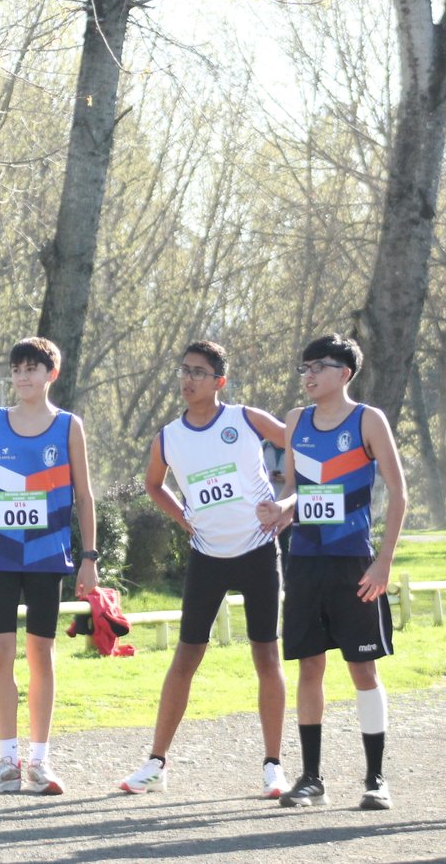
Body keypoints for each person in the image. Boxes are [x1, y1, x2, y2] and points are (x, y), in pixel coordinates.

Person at [118, 341, 290, 799]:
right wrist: (183, 517)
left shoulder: (245, 419)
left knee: (266, 656)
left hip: (256, 550)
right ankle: (156, 763)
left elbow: (303, 443)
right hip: (207, 555)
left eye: (198, 371)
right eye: (184, 370)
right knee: (186, 657)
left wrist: (288, 503)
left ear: (219, 382)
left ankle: (273, 765)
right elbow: (153, 484)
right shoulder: (168, 436)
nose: (188, 379)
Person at [257, 334, 407, 810]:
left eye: (318, 366)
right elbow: (300, 492)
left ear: (344, 373)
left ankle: (376, 778)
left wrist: (383, 561)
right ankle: (311, 779)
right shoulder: (295, 421)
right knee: (309, 666)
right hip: (305, 561)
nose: (308, 375)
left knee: (362, 667)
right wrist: (279, 508)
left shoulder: (369, 420)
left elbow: (399, 495)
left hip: (354, 563)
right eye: (304, 366)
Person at [0, 337, 98, 796]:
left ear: (50, 375)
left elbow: (84, 497)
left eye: (32, 369)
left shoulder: (68, 426)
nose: (23, 376)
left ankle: (40, 762)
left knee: (41, 655)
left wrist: (89, 558)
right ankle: (7, 760)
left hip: (47, 558)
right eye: (17, 369)